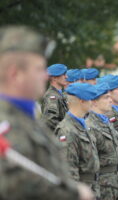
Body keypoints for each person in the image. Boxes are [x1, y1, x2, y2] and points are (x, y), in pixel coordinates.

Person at [0, 25, 93, 200]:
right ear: (15, 74)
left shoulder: (24, 117)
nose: (44, 76)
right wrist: (74, 194)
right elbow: (17, 188)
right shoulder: (5, 125)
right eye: (39, 69)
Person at [55, 83, 100, 198]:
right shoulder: (67, 130)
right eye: (90, 99)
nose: (93, 102)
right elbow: (69, 170)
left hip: (92, 188)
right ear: (81, 101)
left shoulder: (84, 125)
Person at [85, 82, 118, 200]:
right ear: (94, 102)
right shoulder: (90, 125)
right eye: (106, 97)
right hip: (101, 185)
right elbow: (89, 164)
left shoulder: (105, 121)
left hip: (114, 182)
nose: (111, 100)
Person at [41, 63, 69, 131]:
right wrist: (66, 131)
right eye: (63, 74)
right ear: (54, 78)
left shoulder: (58, 94)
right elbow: (50, 120)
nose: (66, 77)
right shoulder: (52, 96)